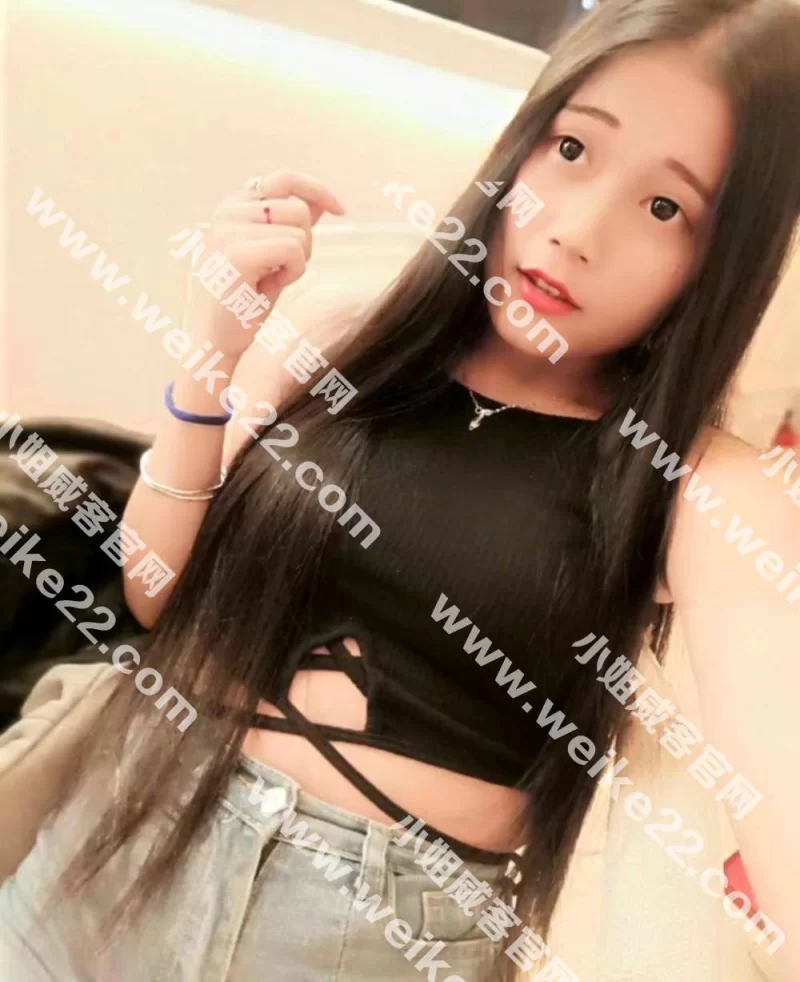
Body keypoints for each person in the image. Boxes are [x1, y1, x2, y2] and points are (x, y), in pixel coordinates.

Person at [2, 0, 800, 979]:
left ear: (724, 259)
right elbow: (156, 590)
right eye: (571, 149)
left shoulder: (703, 487)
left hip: (359, 940)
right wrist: (214, 347)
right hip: (111, 844)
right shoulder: (350, 339)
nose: (577, 231)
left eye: (665, 208)